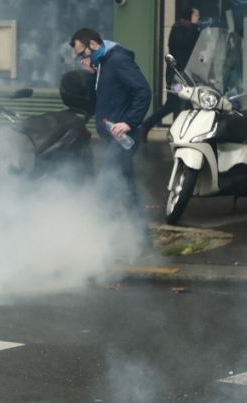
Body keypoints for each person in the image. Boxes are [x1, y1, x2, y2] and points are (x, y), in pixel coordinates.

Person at [70, 28, 152, 245]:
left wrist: (129, 122)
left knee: (103, 188)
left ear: (93, 45)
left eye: (82, 54)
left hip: (125, 138)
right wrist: (90, 75)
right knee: (128, 192)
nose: (81, 59)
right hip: (112, 137)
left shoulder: (117, 61)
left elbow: (143, 91)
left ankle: (97, 247)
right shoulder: (102, 64)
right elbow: (97, 97)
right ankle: (144, 243)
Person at [141, 8, 200, 142]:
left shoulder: (190, 30)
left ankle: (185, 132)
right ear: (185, 21)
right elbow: (187, 42)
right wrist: (194, 26)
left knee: (191, 103)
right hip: (177, 78)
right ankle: (146, 125)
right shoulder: (177, 30)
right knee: (174, 103)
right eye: (192, 21)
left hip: (189, 75)